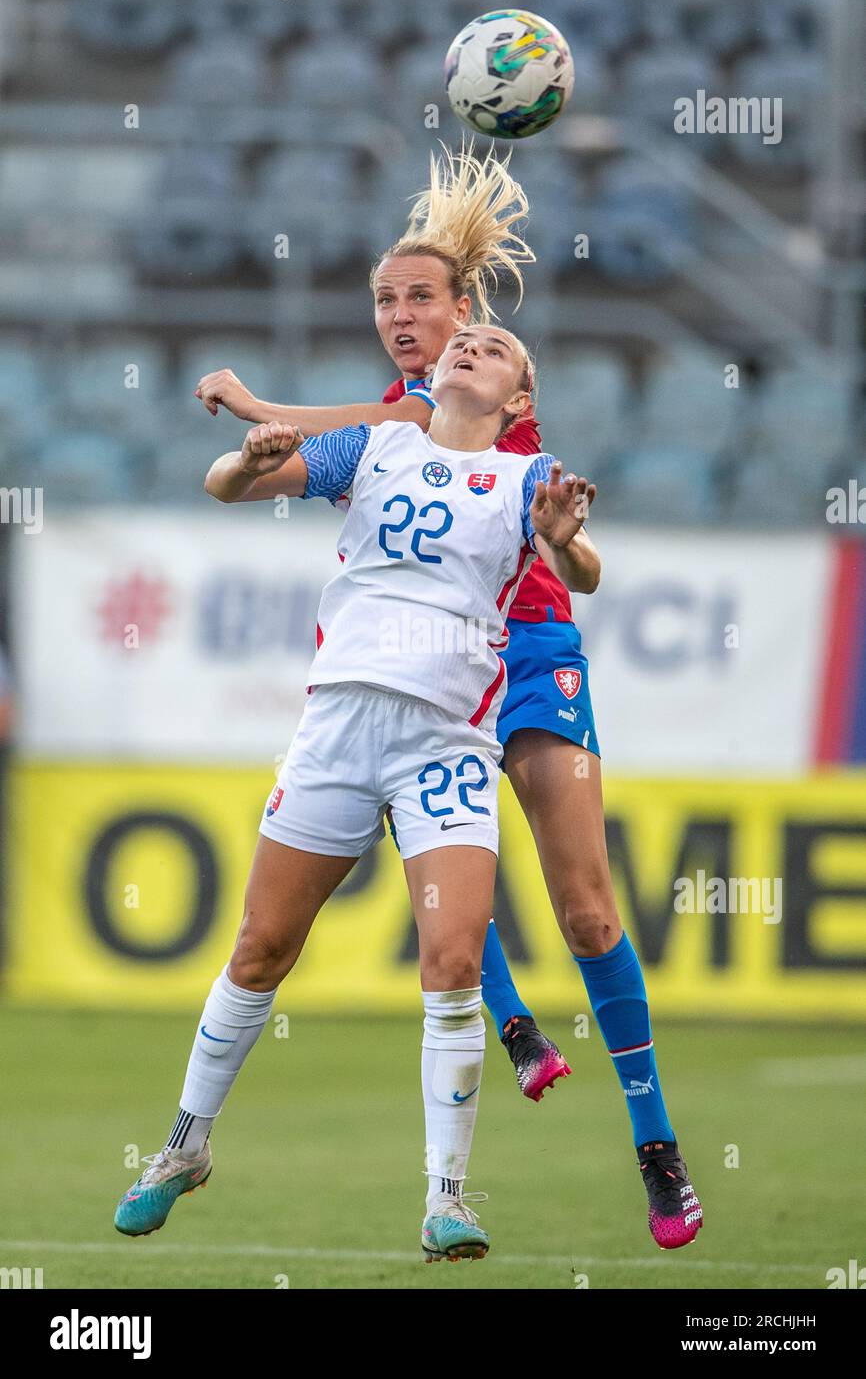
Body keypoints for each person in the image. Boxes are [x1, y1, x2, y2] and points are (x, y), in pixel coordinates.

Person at [194, 144, 703, 1250]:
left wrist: (250, 394)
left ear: (466, 311)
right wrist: (251, 445)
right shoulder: (397, 417)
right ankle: (511, 1027)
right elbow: (290, 461)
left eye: (420, 296)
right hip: (434, 679)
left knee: (586, 909)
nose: (403, 316)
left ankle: (654, 1143)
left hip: (535, 653)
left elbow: (389, 432)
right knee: (435, 854)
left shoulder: (485, 386)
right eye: (383, 299)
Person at [114, 324, 593, 1262]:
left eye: (494, 349)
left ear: (516, 400)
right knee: (259, 951)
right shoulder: (375, 444)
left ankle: (446, 1200)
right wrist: (247, 457)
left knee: (453, 963)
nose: (467, 347)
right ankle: (184, 1147)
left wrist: (567, 548)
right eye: (464, 341)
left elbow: (585, 569)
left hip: (446, 744)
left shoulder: (528, 479)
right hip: (336, 730)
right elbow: (225, 488)